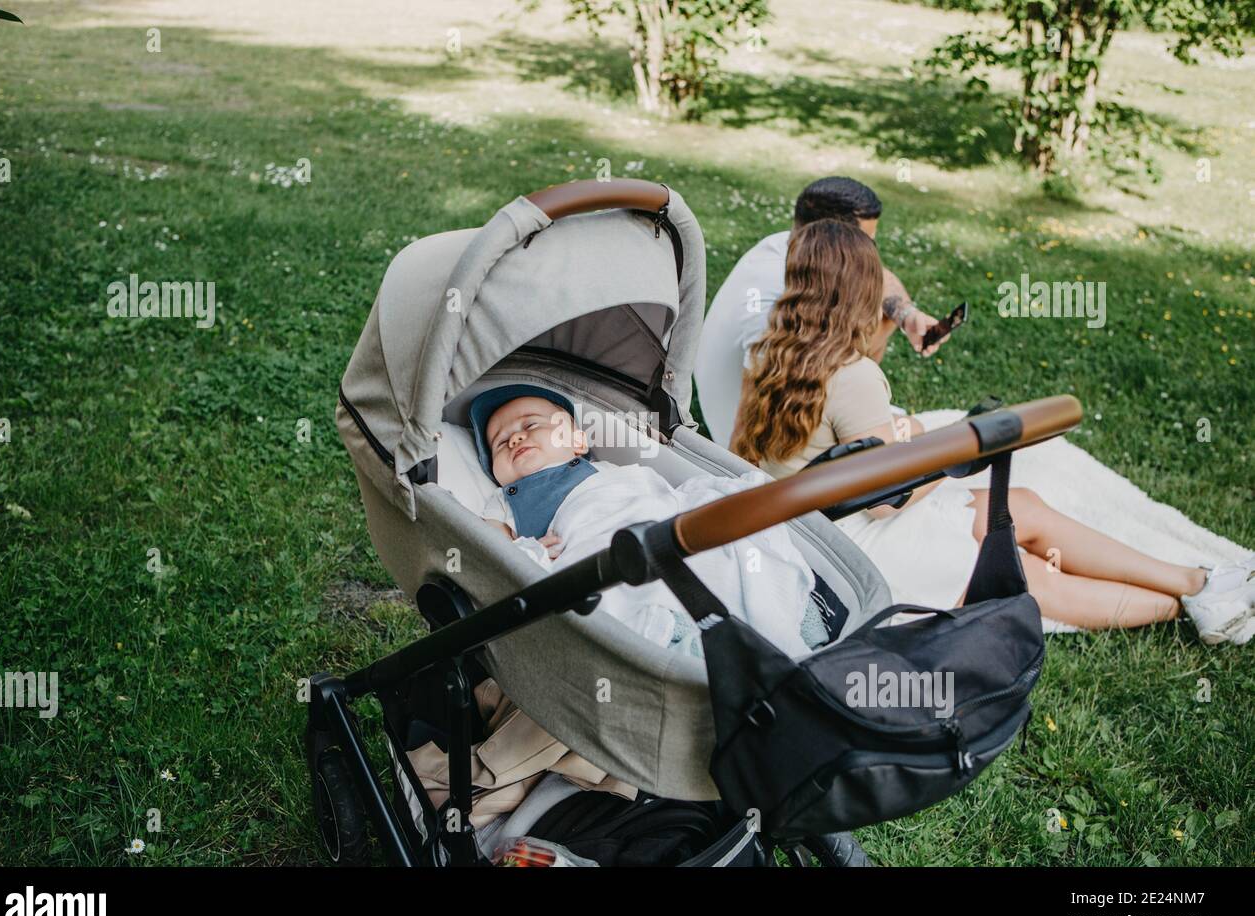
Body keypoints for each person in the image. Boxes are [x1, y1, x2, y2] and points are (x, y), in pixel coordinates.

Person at [729, 219, 1255, 644]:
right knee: (1022, 572)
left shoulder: (765, 351)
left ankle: (1197, 582)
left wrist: (905, 435)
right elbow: (887, 499)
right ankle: (1192, 605)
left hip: (803, 526)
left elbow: (758, 454)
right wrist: (949, 450)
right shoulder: (852, 374)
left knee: (1019, 504)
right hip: (852, 547)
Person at [468, 384, 829, 658]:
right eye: (500, 443)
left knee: (730, 549)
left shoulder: (609, 470)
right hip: (602, 550)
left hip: (662, 522)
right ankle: (686, 642)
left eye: (531, 425)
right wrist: (523, 550)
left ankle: (787, 624)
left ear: (577, 441)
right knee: (635, 589)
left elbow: (658, 492)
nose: (515, 437)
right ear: (498, 475)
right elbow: (489, 544)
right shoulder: (506, 501)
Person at [695, 176, 942, 447]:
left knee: (915, 429)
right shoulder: (771, 310)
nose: (874, 251)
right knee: (929, 440)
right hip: (774, 439)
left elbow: (881, 277)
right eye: (867, 242)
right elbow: (761, 428)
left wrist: (906, 315)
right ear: (836, 240)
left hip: (778, 431)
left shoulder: (789, 249)